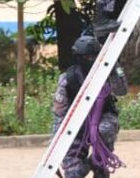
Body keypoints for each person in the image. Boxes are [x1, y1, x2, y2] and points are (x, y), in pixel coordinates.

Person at [52, 35, 129, 178]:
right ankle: (92, 162)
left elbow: (122, 91)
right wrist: (55, 149)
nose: (90, 60)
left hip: (103, 118)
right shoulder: (68, 79)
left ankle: (100, 163)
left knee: (105, 129)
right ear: (78, 57)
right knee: (74, 173)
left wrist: (114, 67)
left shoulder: (107, 72)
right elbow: (59, 113)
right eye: (86, 57)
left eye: (93, 56)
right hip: (76, 126)